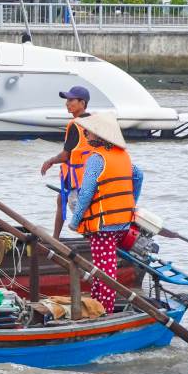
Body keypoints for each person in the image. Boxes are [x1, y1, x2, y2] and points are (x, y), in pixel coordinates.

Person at [67, 113, 143, 314]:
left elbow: (85, 195)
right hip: (122, 221)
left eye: (89, 131)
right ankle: (96, 306)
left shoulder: (96, 159)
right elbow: (138, 175)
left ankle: (105, 311)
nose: (85, 133)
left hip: (103, 224)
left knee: (104, 271)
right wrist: (132, 201)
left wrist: (75, 221)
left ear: (99, 136)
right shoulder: (123, 155)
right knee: (101, 268)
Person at [40, 85, 93, 236]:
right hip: (89, 175)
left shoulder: (75, 125)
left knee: (80, 213)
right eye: (67, 100)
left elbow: (65, 155)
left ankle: (90, 240)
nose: (67, 103)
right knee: (61, 200)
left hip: (78, 178)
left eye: (71, 100)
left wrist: (50, 161)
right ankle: (55, 239)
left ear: (82, 103)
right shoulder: (93, 121)